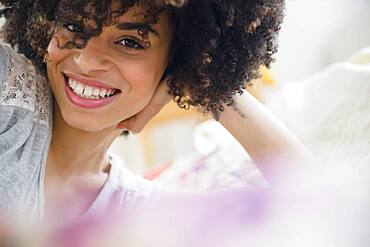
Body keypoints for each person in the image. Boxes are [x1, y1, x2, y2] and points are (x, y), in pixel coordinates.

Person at [0, 0, 314, 226]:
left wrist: (208, 84)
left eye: (129, 42)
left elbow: (315, 206)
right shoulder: (10, 92)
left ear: (178, 59)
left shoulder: (138, 214)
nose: (86, 60)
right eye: (74, 26)